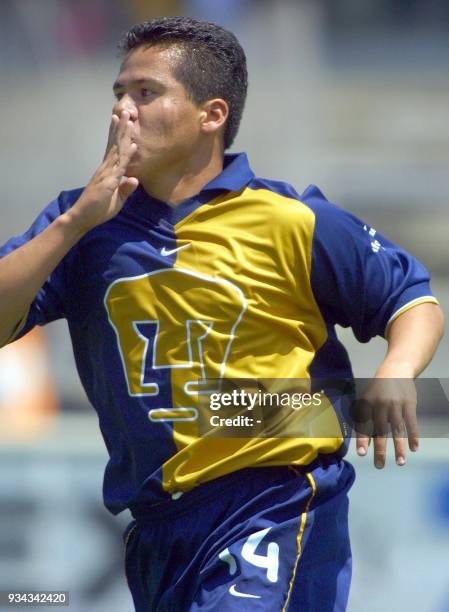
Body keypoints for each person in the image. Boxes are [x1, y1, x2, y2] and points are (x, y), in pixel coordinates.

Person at [0, 16, 444, 612]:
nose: (122, 112)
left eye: (146, 93)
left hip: (273, 497)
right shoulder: (79, 225)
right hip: (158, 522)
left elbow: (411, 298)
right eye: (118, 94)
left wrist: (396, 372)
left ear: (211, 115)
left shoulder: (291, 219)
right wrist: (75, 221)